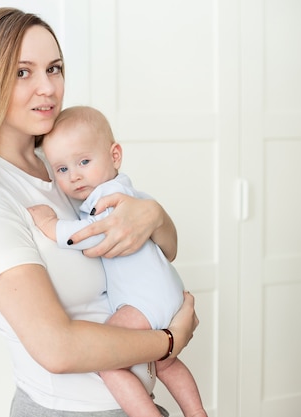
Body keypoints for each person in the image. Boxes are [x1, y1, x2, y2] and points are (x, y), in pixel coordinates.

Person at [0, 7, 199, 417]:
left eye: (54, 68)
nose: (48, 88)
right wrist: (168, 341)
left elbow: (166, 248)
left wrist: (154, 216)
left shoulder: (61, 164)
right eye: (23, 72)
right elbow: (56, 348)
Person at [28, 106, 207, 417]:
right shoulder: (129, 191)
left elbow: (95, 235)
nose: (75, 175)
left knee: (106, 361)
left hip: (143, 302)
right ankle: (196, 412)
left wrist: (51, 227)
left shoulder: (108, 198)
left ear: (115, 155)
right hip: (165, 294)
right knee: (166, 363)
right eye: (62, 169)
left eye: (84, 161)